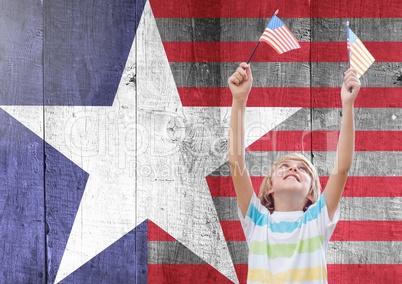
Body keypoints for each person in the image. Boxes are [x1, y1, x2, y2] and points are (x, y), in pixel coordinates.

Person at [227, 62, 360, 283]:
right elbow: (235, 161)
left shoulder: (316, 221)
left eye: (303, 169)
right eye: (284, 167)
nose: (292, 169)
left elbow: (342, 167)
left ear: (311, 192)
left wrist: (348, 105)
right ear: (270, 187)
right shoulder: (257, 220)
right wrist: (239, 100)